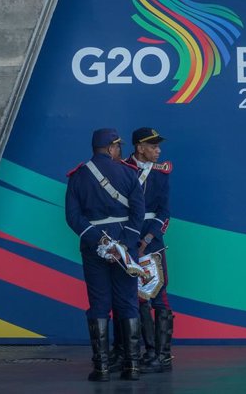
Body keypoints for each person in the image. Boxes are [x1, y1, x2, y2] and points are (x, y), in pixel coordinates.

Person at [65, 128, 145, 382]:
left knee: (99, 303)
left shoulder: (77, 176)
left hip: (93, 247)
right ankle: (132, 366)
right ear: (111, 148)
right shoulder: (128, 173)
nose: (120, 151)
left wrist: (100, 241)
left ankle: (101, 368)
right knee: (128, 302)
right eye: (118, 147)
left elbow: (73, 217)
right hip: (125, 244)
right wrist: (125, 243)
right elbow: (138, 213)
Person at [126, 127, 174, 373]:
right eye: (153, 146)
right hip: (126, 240)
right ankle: (149, 352)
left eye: (158, 146)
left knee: (159, 295)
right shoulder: (122, 168)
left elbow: (165, 212)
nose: (158, 150)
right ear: (139, 147)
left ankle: (164, 356)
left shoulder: (162, 173)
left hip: (151, 242)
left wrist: (147, 237)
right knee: (136, 297)